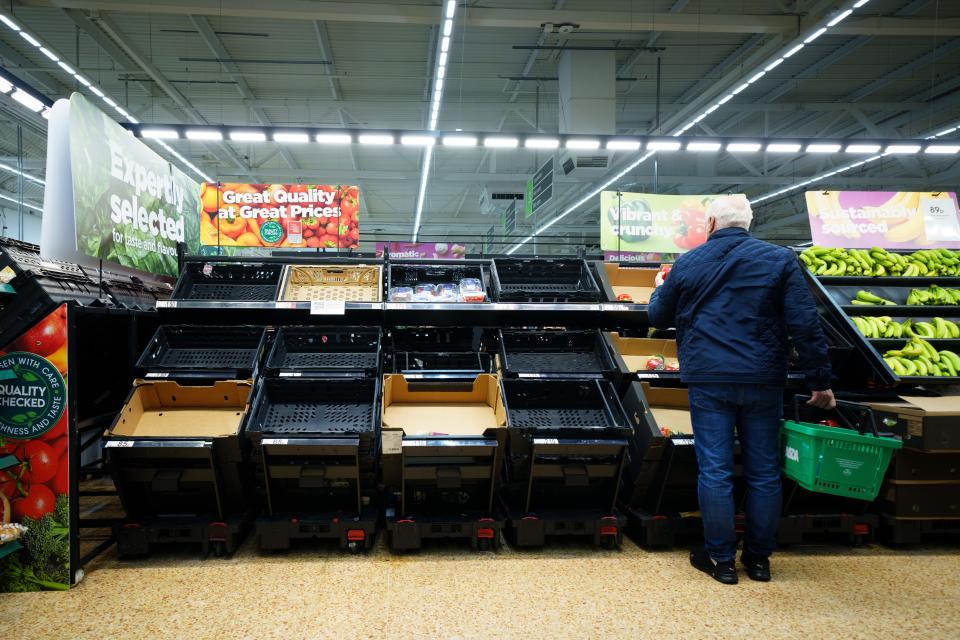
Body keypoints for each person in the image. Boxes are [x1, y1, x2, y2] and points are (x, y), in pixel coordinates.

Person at [647, 194, 835, 585]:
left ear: (711, 224)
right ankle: (759, 559)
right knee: (764, 471)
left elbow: (658, 316)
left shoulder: (689, 261)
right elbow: (805, 324)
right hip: (763, 379)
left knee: (714, 469)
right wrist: (820, 381)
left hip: (710, 378)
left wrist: (659, 287)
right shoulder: (780, 260)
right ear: (749, 223)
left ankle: (721, 561)